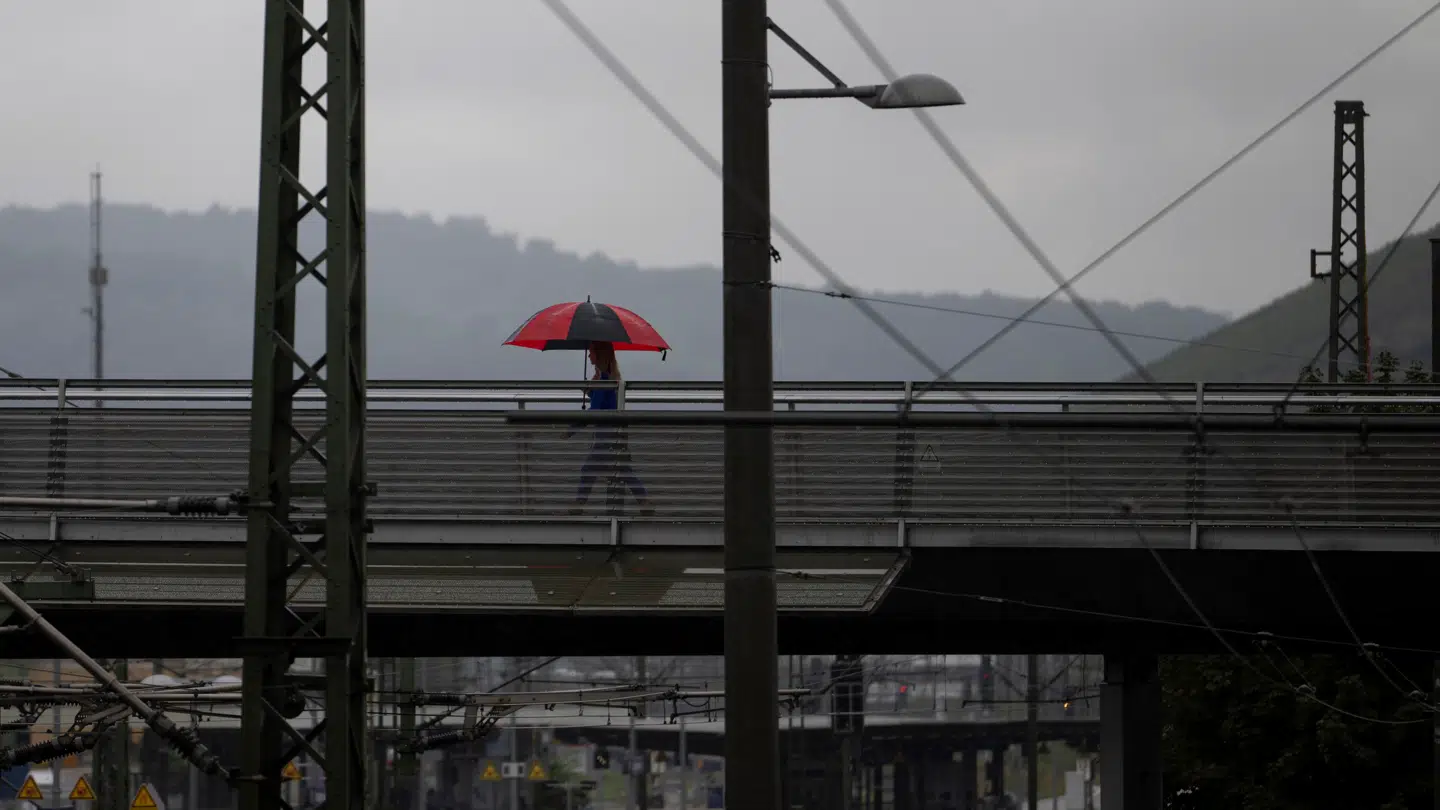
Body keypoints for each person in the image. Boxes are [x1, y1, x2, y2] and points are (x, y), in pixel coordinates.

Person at [570, 341, 654, 515]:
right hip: (615, 434)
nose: (588, 356)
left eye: (591, 352)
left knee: (589, 469)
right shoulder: (608, 379)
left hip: (606, 435)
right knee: (623, 470)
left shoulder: (604, 381)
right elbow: (602, 402)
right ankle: (644, 501)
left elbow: (595, 410)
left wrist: (573, 429)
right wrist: (590, 391)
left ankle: (578, 505)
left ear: (599, 354)